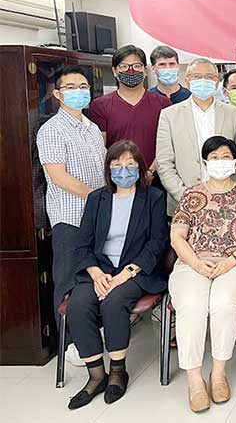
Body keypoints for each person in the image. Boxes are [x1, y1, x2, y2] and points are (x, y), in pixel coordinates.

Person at [66, 140, 167, 409]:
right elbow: (83, 243)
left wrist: (127, 273)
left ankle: (118, 372)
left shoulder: (154, 198)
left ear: (140, 168)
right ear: (108, 169)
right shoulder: (96, 199)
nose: (124, 170)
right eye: (117, 165)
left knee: (113, 303)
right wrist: (96, 273)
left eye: (130, 164)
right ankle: (96, 375)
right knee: (78, 305)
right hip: (99, 269)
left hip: (135, 271)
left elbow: (157, 243)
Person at [169, 136, 236, 413]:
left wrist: (231, 260)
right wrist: (196, 263)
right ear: (204, 163)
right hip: (192, 263)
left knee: (223, 302)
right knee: (192, 304)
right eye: (214, 158)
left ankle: (219, 373)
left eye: (226, 157)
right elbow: (177, 236)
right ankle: (194, 380)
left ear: (234, 162)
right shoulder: (191, 194)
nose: (220, 162)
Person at [37, 65, 106, 368]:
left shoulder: (91, 127)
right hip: (70, 217)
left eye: (83, 86)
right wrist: (95, 198)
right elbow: (58, 176)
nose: (78, 92)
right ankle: (69, 345)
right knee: (67, 281)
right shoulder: (51, 130)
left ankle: (90, 337)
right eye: (70, 87)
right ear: (57, 93)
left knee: (92, 280)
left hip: (96, 217)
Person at [156, 57, 236, 217]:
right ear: (187, 81)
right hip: (183, 203)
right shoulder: (169, 115)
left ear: (217, 82)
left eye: (209, 77)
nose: (203, 81)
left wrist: (227, 194)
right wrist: (186, 196)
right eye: (197, 77)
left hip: (227, 203)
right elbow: (164, 163)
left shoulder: (234, 113)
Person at [88, 45, 171, 185]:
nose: (130, 71)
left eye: (137, 66)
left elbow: (168, 146)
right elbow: (100, 148)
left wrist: (150, 173)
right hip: (118, 180)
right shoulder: (99, 106)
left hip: (157, 179)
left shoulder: (163, 104)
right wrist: (122, 172)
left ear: (145, 71)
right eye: (124, 66)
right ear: (114, 71)